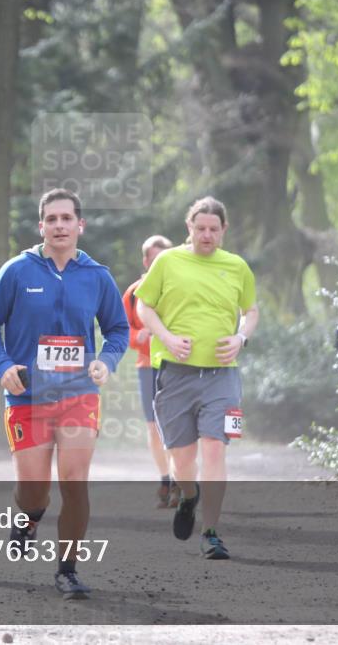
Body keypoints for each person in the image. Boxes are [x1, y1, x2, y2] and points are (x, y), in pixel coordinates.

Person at [0, 188, 129, 599]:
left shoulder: (97, 276)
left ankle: (68, 570)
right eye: (52, 219)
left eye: (67, 218)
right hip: (27, 396)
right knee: (34, 488)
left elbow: (118, 328)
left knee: (75, 482)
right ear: (40, 226)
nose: (59, 226)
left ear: (80, 225)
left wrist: (107, 361)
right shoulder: (17, 271)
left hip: (79, 394)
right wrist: (3, 366)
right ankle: (28, 517)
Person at [136, 197, 258, 560]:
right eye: (200, 228)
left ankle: (211, 532)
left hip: (222, 376)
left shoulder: (236, 266)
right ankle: (188, 496)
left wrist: (240, 338)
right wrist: (168, 338)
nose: (207, 235)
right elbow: (144, 306)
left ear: (224, 231)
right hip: (175, 374)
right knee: (183, 458)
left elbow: (250, 311)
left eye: (214, 229)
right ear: (189, 227)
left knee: (215, 448)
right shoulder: (167, 261)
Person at [122, 235, 179, 508]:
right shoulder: (134, 292)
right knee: (153, 428)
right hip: (147, 367)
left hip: (178, 365)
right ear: (146, 261)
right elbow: (121, 330)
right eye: (155, 259)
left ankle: (182, 479)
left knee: (178, 425)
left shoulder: (180, 288)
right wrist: (139, 337)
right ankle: (165, 480)